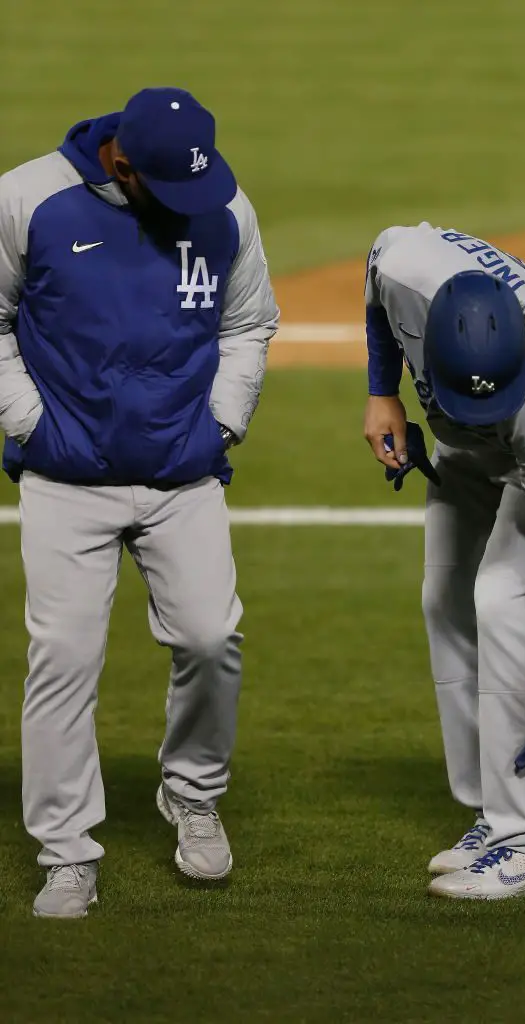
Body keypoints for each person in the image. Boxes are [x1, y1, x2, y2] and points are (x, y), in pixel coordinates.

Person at [0, 87, 279, 917]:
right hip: (64, 479)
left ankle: (191, 792)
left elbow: (247, 323)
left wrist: (221, 423)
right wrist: (31, 425)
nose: (195, 204)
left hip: (181, 476)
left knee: (210, 636)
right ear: (122, 161)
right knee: (64, 662)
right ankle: (66, 853)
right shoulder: (29, 199)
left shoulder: (222, 206)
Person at [363, 222, 525, 899]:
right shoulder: (404, 267)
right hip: (467, 449)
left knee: (501, 602)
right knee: (445, 600)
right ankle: (491, 815)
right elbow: (374, 279)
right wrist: (382, 390)